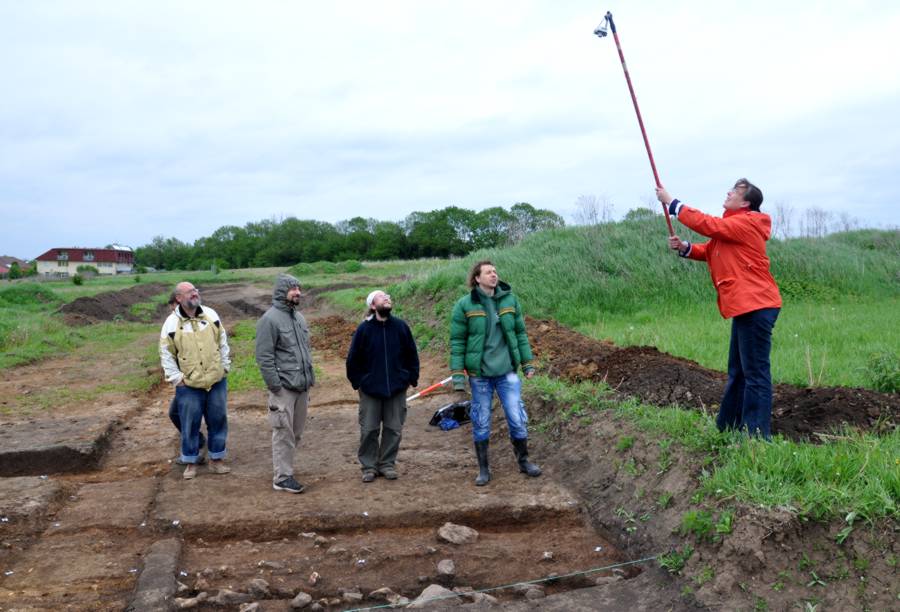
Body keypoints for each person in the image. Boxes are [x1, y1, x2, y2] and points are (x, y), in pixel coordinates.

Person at [656, 178, 782, 439]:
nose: (728, 193)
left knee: (755, 373)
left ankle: (758, 436)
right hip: (747, 305)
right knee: (738, 371)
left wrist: (673, 203)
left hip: (757, 304)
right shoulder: (731, 227)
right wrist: (685, 248)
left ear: (746, 203)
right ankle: (728, 427)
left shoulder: (745, 223)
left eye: (735, 191)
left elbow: (708, 225)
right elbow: (711, 249)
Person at [450, 261, 541, 486]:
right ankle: (483, 469)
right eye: (488, 272)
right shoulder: (465, 305)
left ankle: (524, 461)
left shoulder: (509, 300)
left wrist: (527, 363)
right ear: (477, 279)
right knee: (481, 421)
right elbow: (458, 341)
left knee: (517, 418)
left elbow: (520, 333)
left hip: (507, 371)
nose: (494, 275)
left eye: (495, 271)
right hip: (479, 374)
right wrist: (458, 376)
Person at [159, 282, 232, 479]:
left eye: (195, 291)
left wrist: (224, 367)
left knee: (218, 420)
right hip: (189, 384)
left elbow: (222, 342)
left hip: (216, 379)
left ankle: (217, 460)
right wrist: (177, 379)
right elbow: (166, 353)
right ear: (179, 299)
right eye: (190, 292)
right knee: (189, 423)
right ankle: (190, 462)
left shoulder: (210, 315)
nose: (195, 294)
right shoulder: (171, 324)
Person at [346, 290, 419, 483]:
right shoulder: (364, 330)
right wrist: (359, 382)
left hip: (396, 388)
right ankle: (369, 467)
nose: (387, 297)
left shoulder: (401, 327)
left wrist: (410, 378)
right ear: (372, 305)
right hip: (370, 390)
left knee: (393, 428)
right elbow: (353, 360)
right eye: (381, 297)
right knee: (369, 429)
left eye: (388, 296)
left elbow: (411, 354)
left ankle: (387, 464)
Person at [255, 274, 315, 494]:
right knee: (283, 432)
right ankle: (282, 477)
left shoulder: (299, 318)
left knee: (296, 433)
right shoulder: (269, 320)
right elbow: (264, 357)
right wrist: (276, 387)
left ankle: (285, 469)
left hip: (302, 386)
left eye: (299, 287)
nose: (298, 292)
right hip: (284, 389)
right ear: (282, 292)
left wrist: (308, 380)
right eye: (293, 288)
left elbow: (304, 351)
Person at [164, 291, 206, 465]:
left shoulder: (196, 322)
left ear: (178, 303)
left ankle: (193, 451)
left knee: (182, 414)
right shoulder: (174, 323)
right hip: (186, 379)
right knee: (177, 413)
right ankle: (198, 442)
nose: (173, 312)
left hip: (194, 380)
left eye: (173, 308)